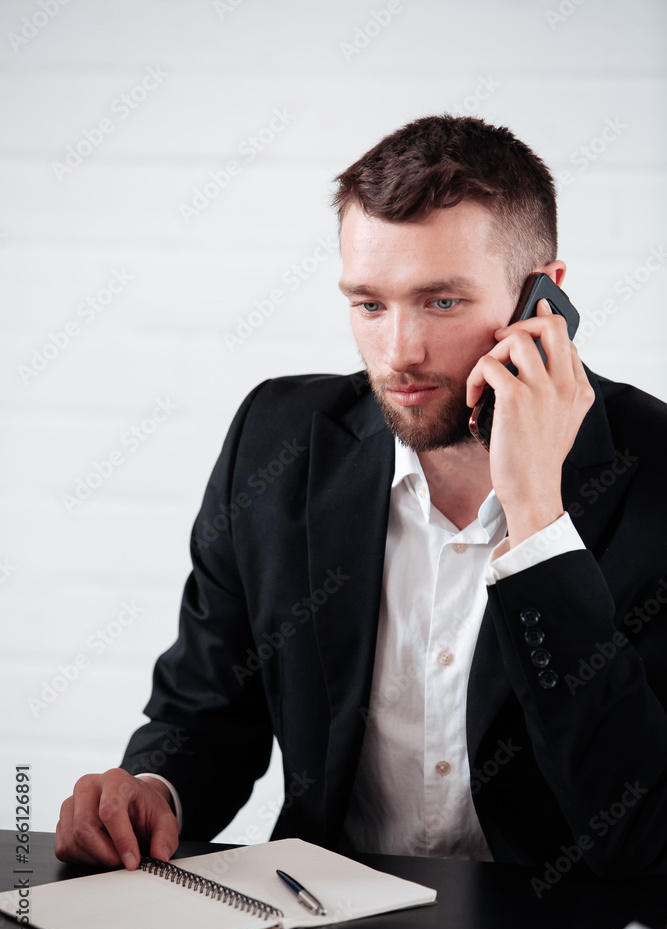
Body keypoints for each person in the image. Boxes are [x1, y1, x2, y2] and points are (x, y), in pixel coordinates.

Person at [55, 115, 667, 877]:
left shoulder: (651, 471)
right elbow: (205, 712)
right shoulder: (278, 441)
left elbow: (644, 827)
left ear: (541, 300)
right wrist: (155, 790)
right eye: (369, 304)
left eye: (441, 302)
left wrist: (535, 514)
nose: (399, 352)